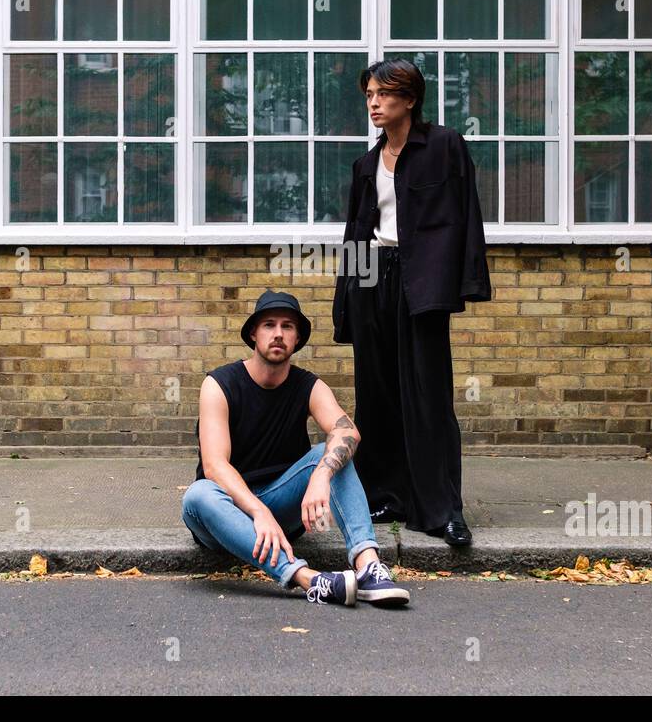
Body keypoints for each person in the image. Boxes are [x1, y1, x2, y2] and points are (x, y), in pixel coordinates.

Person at [331, 58, 492, 547]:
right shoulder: (366, 164)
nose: (374, 103)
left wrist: (462, 283)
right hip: (372, 279)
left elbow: (466, 218)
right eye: (369, 96)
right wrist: (347, 303)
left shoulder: (444, 147)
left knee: (427, 396)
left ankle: (443, 509)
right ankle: (385, 495)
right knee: (376, 395)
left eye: (383, 94)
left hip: (421, 283)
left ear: (410, 98)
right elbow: (357, 234)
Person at [182, 289, 410, 608]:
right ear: (253, 334)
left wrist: (321, 476)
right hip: (226, 513)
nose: (278, 334)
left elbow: (348, 431)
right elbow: (215, 467)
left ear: (297, 337)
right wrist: (258, 512)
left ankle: (368, 567)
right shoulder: (219, 384)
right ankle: (310, 580)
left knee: (332, 452)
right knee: (198, 494)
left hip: (282, 505)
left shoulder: (308, 385)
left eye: (287, 326)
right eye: (269, 325)